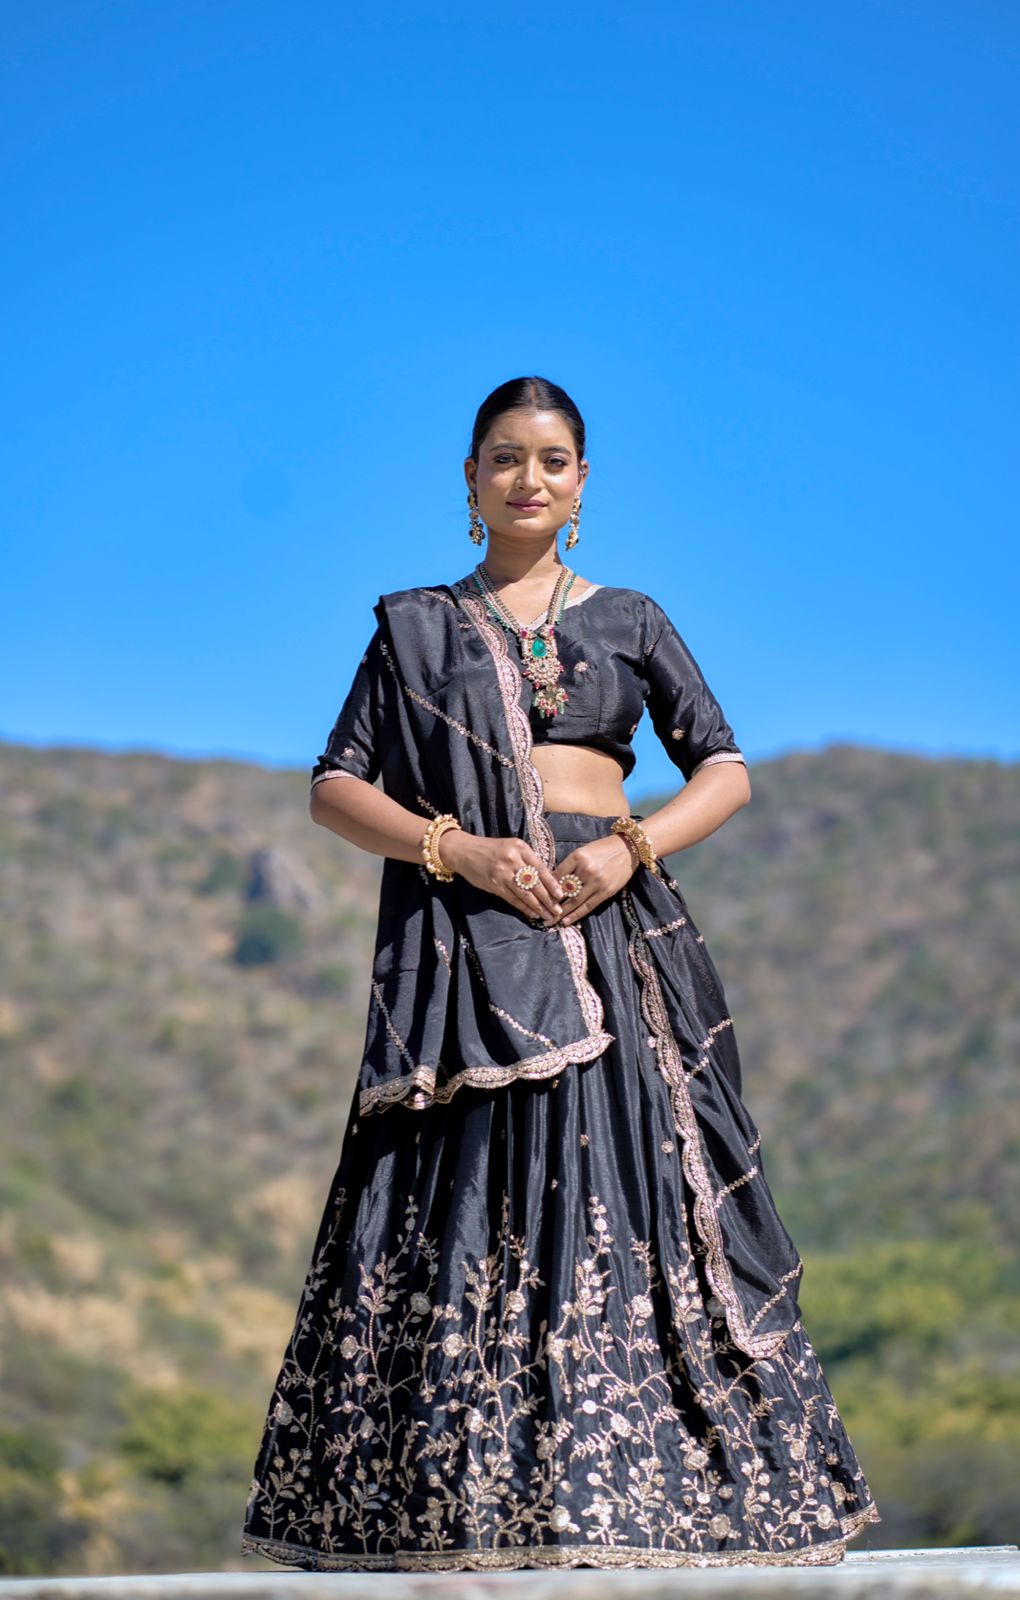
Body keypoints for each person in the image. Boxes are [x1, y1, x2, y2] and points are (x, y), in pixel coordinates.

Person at [240, 376, 879, 1572]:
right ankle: (464, 1505)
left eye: (551, 460)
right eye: (504, 457)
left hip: (611, 927)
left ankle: (643, 1493)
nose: (526, 478)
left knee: (635, 1193)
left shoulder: (631, 618)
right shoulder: (416, 626)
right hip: (472, 940)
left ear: (582, 483)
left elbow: (726, 768)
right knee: (477, 1194)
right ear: (470, 479)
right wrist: (458, 848)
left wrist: (631, 847)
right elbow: (334, 788)